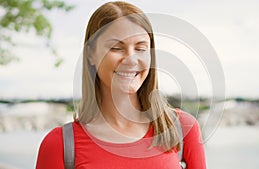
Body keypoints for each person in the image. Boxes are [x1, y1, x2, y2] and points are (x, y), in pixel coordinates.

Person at [36, 1, 206, 169]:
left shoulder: (183, 129)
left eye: (140, 49)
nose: (131, 59)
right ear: (90, 55)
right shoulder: (59, 145)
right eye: (117, 48)